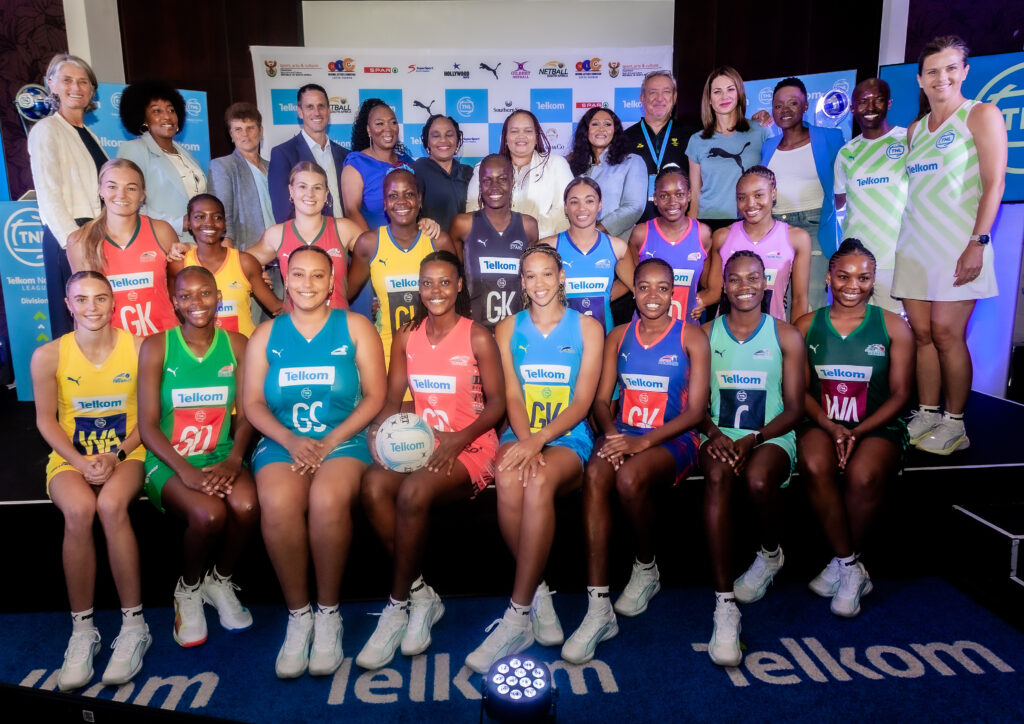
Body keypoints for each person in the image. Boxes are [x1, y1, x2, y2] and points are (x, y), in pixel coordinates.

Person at [355, 251, 506, 670]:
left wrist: (459, 439)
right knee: (373, 485)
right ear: (418, 288)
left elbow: (497, 404)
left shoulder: (478, 336)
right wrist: (377, 432)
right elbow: (391, 399)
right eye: (427, 283)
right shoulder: (407, 337)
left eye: (444, 282)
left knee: (413, 493)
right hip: (421, 445)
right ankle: (422, 595)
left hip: (471, 446)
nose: (435, 290)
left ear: (459, 286)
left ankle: (396, 606)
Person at [243, 244, 386, 679]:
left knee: (326, 500)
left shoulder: (356, 326)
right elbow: (252, 403)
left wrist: (328, 443)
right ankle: (299, 614)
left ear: (332, 282)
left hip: (342, 439)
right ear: (286, 282)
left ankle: (328, 614)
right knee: (278, 503)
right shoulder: (266, 335)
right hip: (282, 440)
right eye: (298, 275)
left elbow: (376, 396)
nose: (308, 283)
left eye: (318, 275)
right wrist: (290, 439)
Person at [465, 245, 603, 675]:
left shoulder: (588, 328)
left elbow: (582, 402)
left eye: (547, 274)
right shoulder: (508, 327)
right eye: (530, 275)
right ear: (521, 282)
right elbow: (511, 394)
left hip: (568, 437)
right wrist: (526, 443)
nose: (539, 283)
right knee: (507, 475)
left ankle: (516, 615)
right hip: (521, 432)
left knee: (538, 481)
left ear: (561, 277)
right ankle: (538, 593)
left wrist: (540, 443)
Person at [562, 258, 709, 664]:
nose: (652, 296)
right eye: (644, 287)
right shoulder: (619, 336)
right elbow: (601, 400)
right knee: (595, 471)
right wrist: (613, 435)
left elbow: (696, 412)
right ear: (634, 290)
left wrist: (641, 443)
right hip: (624, 432)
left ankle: (646, 568)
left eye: (662, 287)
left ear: (674, 293)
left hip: (674, 438)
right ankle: (598, 606)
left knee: (628, 478)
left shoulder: (691, 336)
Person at [31, 271, 150, 691]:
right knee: (80, 509)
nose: (91, 307)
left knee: (111, 505)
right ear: (68, 305)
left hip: (129, 453)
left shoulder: (140, 349)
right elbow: (46, 421)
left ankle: (134, 626)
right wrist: (81, 462)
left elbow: (149, 419)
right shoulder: (48, 355)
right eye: (81, 299)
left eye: (100, 298)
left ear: (113, 302)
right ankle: (83, 632)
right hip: (72, 458)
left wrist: (116, 456)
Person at [892, 36, 1007, 454]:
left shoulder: (981, 114)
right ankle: (927, 413)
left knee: (946, 333)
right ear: (920, 79)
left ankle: (955, 423)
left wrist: (978, 242)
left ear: (964, 71)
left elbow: (995, 184)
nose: (942, 77)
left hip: (960, 245)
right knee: (922, 334)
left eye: (951, 68)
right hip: (915, 245)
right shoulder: (914, 130)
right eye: (933, 71)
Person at [137, 266, 260, 647]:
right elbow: (147, 426)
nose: (196, 302)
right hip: (170, 461)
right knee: (209, 514)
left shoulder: (237, 344)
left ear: (218, 297)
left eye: (205, 293)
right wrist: (185, 471)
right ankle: (188, 588)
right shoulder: (156, 346)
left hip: (221, 454)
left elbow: (248, 414)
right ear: (175, 302)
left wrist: (235, 458)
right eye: (186, 295)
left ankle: (218, 581)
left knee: (247, 506)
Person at [795, 239, 914, 618]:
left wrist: (857, 433)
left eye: (864, 278)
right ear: (828, 278)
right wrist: (832, 427)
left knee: (864, 475)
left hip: (877, 426)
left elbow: (901, 394)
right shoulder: (805, 326)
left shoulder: (894, 326)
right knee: (815, 463)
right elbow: (798, 391)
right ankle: (850, 567)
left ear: (874, 280)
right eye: (843, 276)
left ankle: (840, 563)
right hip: (821, 422)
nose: (853, 285)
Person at [699, 250, 805, 667]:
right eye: (735, 279)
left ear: (766, 282)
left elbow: (795, 408)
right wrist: (715, 434)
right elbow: (695, 405)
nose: (745, 286)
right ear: (724, 287)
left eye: (753, 278)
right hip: (719, 434)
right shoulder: (705, 334)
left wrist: (756, 438)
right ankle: (724, 605)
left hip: (770, 434)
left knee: (759, 479)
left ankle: (771, 552)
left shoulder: (786, 335)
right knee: (718, 477)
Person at [28, 53, 108, 337]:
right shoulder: (46, 130)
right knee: (73, 323)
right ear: (52, 84)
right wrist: (73, 242)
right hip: (69, 237)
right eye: (67, 80)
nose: (76, 87)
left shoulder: (90, 135)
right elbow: (48, 195)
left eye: (83, 82)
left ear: (92, 90)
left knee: (98, 321)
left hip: (96, 234)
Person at [347, 168, 457, 370]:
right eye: (393, 196)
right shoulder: (369, 244)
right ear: (384, 203)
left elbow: (458, 296)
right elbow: (343, 294)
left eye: (409, 194)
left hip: (436, 350)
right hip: (387, 352)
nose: (402, 201)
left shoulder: (438, 241)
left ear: (419, 199)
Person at [67, 158, 181, 337]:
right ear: (100, 190)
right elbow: (80, 306)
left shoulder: (162, 231)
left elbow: (182, 288)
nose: (121, 195)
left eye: (131, 188)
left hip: (164, 340)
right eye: (112, 186)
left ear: (142, 194)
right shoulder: (80, 241)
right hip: (113, 347)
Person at [760, 77, 845, 310]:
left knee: (811, 302)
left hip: (815, 228)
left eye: (793, 103)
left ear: (806, 106)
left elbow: (843, 187)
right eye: (778, 105)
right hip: (777, 229)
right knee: (777, 303)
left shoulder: (830, 137)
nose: (785, 110)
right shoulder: (768, 145)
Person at [833, 79, 908, 315]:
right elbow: (839, 203)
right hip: (855, 260)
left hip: (896, 257)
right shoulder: (846, 152)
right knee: (856, 327)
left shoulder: (908, 140)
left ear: (889, 103)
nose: (871, 107)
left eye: (878, 100)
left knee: (896, 329)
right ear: (852, 108)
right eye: (863, 102)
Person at [247, 162, 362, 311]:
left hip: (337, 322)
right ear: (291, 191)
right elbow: (237, 263)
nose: (310, 194)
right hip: (293, 323)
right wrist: (268, 297)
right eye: (302, 186)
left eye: (317, 187)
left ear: (326, 194)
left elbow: (381, 255)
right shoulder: (276, 235)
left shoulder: (344, 229)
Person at [705, 166, 811, 322]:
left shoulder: (797, 238)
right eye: (742, 198)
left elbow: (800, 299)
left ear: (773, 193)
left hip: (773, 331)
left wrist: (796, 334)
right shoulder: (722, 237)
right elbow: (713, 293)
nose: (750, 204)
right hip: (727, 331)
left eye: (758, 195)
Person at [169, 194, 282, 337]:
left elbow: (276, 307)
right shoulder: (179, 265)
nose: (209, 223)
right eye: (200, 217)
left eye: (217, 217)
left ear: (224, 224)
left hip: (243, 348)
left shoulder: (245, 262)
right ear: (189, 223)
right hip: (202, 349)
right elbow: (176, 312)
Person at [449, 154, 539, 330]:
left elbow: (531, 281)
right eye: (487, 180)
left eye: (502, 179)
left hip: (517, 330)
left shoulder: (528, 226)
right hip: (475, 330)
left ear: (512, 182)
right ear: (480, 185)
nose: (494, 186)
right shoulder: (463, 225)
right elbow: (453, 276)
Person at [116, 81, 207, 245]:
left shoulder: (186, 155)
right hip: (160, 241)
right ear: (143, 119)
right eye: (157, 111)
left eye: (171, 110)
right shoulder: (134, 150)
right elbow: (130, 203)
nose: (167, 116)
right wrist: (178, 223)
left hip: (197, 243)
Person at [539, 177, 635, 333]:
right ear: (565, 207)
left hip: (604, 338)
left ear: (600, 205)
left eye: (589, 201)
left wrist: (604, 296)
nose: (581, 208)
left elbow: (634, 285)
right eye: (574, 202)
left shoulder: (617, 247)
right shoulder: (548, 247)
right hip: (560, 338)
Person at [465, 109, 573, 238]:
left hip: (543, 243)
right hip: (493, 243)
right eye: (514, 131)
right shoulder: (483, 167)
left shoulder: (556, 164)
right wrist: (501, 237)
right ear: (505, 138)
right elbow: (473, 210)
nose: (521, 136)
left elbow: (564, 211)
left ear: (536, 137)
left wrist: (530, 234)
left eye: (528, 131)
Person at [687, 66, 770, 231]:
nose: (724, 96)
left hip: (750, 220)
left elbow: (772, 182)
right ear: (709, 99)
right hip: (708, 222)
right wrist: (691, 232)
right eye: (717, 91)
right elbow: (695, 194)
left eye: (730, 89)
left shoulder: (761, 131)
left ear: (739, 93)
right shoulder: (697, 140)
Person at [629, 167, 713, 325]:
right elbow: (633, 282)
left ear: (689, 195)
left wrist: (703, 301)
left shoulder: (703, 234)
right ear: (655, 199)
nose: (672, 202)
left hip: (687, 326)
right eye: (664, 196)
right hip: (646, 326)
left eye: (679, 194)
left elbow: (706, 285)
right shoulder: (641, 234)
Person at [268, 84, 348, 223]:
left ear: (328, 110)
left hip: (346, 234)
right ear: (300, 112)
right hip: (309, 236)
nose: (317, 112)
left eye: (321, 106)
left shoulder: (345, 155)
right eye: (310, 107)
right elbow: (283, 213)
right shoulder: (282, 154)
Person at [567, 107, 647, 238]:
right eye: (595, 124)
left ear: (615, 130)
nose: (601, 129)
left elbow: (634, 207)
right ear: (586, 130)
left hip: (617, 240)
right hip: (577, 240)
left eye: (607, 124)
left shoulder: (632, 162)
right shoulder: (572, 164)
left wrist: (596, 232)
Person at [623, 71, 692, 222]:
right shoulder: (624, 138)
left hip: (680, 223)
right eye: (653, 92)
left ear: (674, 97)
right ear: (642, 98)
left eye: (666, 92)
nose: (660, 98)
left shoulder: (691, 135)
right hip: (637, 224)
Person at [208, 102, 275, 250]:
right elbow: (221, 213)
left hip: (279, 248)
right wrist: (227, 251)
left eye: (250, 128)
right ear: (231, 135)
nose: (245, 134)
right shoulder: (222, 166)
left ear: (261, 131)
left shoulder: (273, 167)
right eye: (238, 129)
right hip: (246, 250)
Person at [342, 98, 416, 231]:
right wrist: (374, 242)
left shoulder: (408, 162)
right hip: (372, 241)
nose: (388, 128)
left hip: (409, 242)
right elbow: (351, 212)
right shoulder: (356, 164)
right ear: (369, 130)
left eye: (393, 122)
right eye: (380, 123)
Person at [414, 115, 474, 232]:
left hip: (464, 241)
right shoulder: (419, 169)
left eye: (449, 135)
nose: (443, 140)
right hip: (431, 240)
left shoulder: (468, 172)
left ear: (458, 140)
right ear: (427, 142)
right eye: (436, 136)